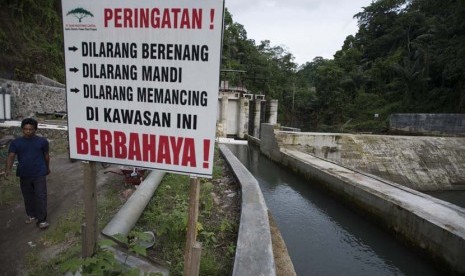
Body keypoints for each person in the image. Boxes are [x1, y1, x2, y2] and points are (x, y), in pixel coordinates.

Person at [4, 118, 50, 229]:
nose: (28, 131)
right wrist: (8, 170)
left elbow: (46, 156)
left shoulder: (42, 142)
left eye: (31, 129)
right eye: (25, 129)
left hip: (39, 172)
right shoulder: (16, 143)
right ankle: (31, 215)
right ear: (22, 129)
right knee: (28, 195)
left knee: (41, 195)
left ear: (35, 129)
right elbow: (11, 156)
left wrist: (47, 168)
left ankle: (42, 220)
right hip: (24, 173)